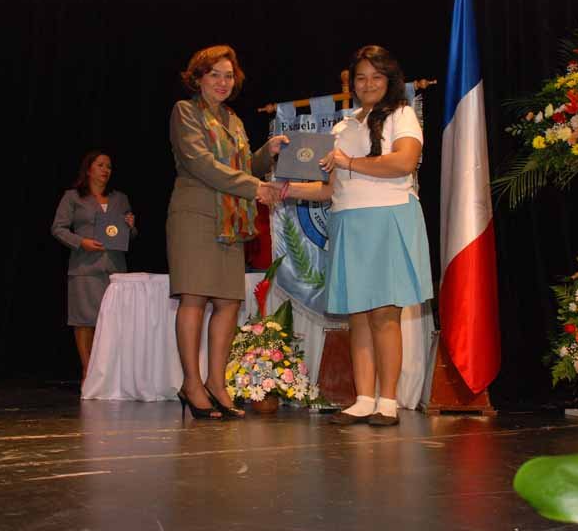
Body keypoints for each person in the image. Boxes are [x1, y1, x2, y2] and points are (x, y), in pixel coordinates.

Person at [273, 45, 432, 426]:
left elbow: (404, 161)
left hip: (388, 217)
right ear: (351, 83)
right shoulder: (343, 127)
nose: (368, 84)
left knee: (385, 314)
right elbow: (331, 189)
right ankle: (363, 398)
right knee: (357, 315)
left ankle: (387, 401)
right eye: (361, 77)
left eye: (376, 77)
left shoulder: (402, 114)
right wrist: (283, 189)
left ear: (390, 80)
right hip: (348, 221)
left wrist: (349, 162)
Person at [167, 44, 286, 420]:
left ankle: (216, 384)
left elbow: (243, 166)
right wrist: (255, 187)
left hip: (230, 220)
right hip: (196, 216)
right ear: (198, 78)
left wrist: (267, 152)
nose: (222, 82)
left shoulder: (233, 119)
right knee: (194, 299)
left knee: (229, 303)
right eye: (214, 74)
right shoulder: (185, 111)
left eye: (228, 76)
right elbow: (201, 164)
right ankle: (191, 384)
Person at [51, 150, 136, 382]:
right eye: (100, 165)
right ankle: (87, 371)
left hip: (115, 269)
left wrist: (130, 226)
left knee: (111, 322)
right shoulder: (73, 197)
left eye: (109, 166)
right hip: (85, 268)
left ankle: (106, 371)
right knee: (84, 320)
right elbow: (58, 228)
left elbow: (128, 235)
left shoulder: (120, 198)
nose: (105, 170)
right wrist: (81, 242)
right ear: (88, 169)